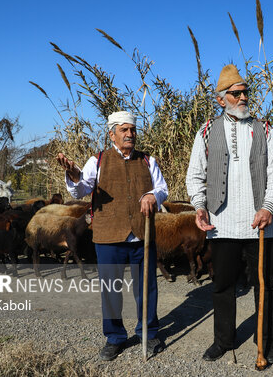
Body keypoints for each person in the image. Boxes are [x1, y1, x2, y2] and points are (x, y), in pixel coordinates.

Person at [186, 64, 273, 364]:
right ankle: (223, 340)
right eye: (235, 93)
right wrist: (199, 206)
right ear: (220, 99)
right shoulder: (206, 131)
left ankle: (266, 342)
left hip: (260, 224)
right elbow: (195, 175)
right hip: (222, 222)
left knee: (264, 285)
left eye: (245, 92)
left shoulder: (265, 129)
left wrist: (268, 208)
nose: (243, 98)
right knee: (223, 285)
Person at [56, 111, 168, 361]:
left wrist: (153, 196)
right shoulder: (98, 160)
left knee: (146, 287)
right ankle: (115, 337)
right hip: (108, 236)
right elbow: (81, 187)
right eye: (124, 130)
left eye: (132, 130)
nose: (130, 134)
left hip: (141, 234)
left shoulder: (147, 160)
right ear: (112, 134)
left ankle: (148, 334)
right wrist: (73, 173)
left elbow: (162, 189)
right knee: (111, 289)